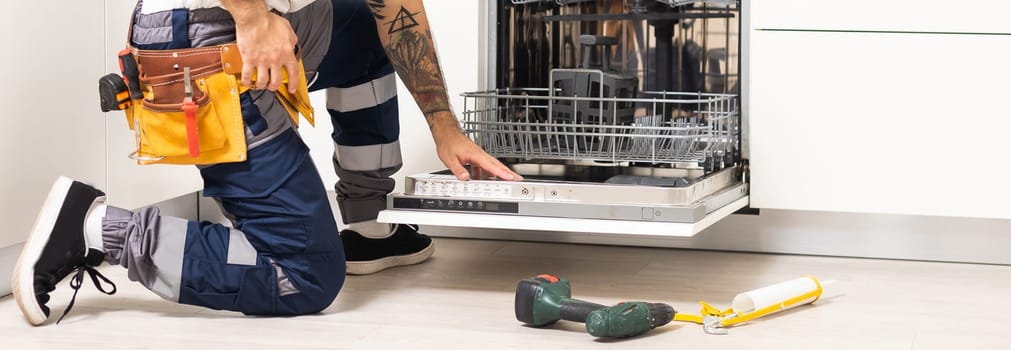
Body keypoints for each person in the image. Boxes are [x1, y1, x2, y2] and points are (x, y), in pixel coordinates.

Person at [12, 0, 520, 326]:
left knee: (364, 30)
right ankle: (97, 228)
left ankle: (367, 228)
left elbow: (393, 8)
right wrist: (252, 17)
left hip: (277, 19)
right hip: (206, 41)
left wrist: (443, 125)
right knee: (305, 275)